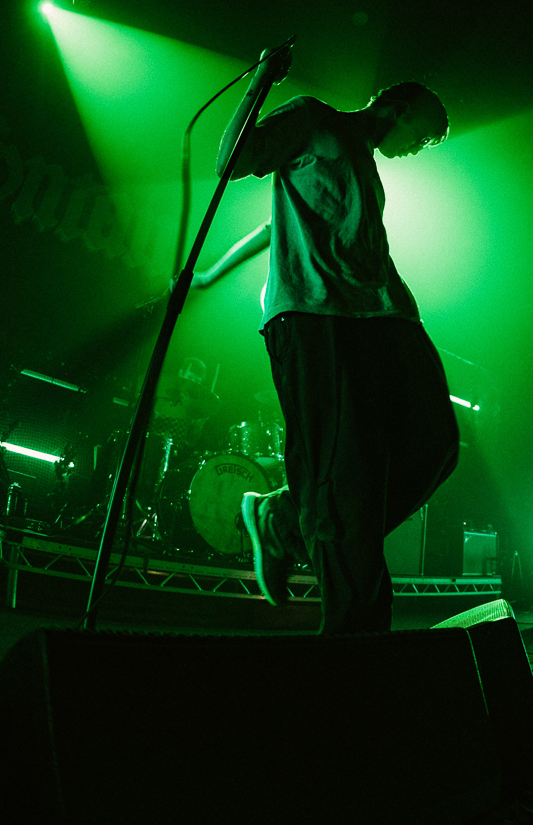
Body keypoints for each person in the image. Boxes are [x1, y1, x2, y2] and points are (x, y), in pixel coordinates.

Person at [205, 45, 459, 634]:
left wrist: (215, 274)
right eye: (423, 135)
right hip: (319, 322)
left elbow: (276, 226)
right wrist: (262, 81)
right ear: (399, 106)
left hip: (383, 320)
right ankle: (355, 640)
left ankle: (289, 517)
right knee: (348, 481)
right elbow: (232, 161)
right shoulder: (314, 118)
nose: (419, 149)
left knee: (435, 443)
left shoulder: (363, 166)